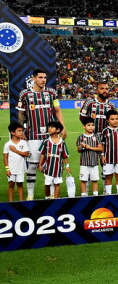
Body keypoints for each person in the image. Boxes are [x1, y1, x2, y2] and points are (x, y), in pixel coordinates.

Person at [17, 69, 67, 200]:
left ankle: (50, 194)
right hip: (33, 134)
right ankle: (30, 194)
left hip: (49, 136)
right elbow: (21, 114)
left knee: (50, 164)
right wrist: (21, 131)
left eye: (45, 77)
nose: (43, 80)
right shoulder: (25, 94)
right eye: (40, 77)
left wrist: (62, 127)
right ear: (34, 78)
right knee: (33, 165)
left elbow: (57, 110)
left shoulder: (52, 93)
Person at [38, 121, 71, 199]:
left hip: (58, 168)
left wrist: (67, 166)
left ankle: (56, 199)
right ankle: (47, 197)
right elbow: (42, 154)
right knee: (47, 184)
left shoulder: (62, 142)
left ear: (58, 130)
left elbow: (65, 156)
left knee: (57, 184)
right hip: (48, 168)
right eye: (49, 127)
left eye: (52, 127)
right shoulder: (46, 141)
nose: (49, 128)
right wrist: (40, 165)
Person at [76, 119, 103, 196]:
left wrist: (90, 147)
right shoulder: (81, 137)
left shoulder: (97, 137)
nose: (91, 127)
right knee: (83, 180)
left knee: (95, 180)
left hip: (94, 163)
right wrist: (82, 146)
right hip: (84, 163)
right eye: (88, 125)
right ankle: (83, 196)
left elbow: (101, 148)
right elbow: (78, 150)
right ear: (84, 126)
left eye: (92, 125)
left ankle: (95, 196)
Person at [4, 123, 30, 201]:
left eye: (22, 130)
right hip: (11, 169)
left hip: (20, 169)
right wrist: (7, 169)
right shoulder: (7, 144)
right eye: (19, 131)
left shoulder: (23, 143)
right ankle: (10, 201)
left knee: (20, 185)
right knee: (11, 185)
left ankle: (21, 201)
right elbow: (5, 157)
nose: (21, 132)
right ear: (12, 132)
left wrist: (15, 150)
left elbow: (26, 154)